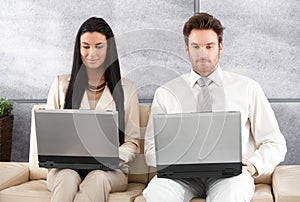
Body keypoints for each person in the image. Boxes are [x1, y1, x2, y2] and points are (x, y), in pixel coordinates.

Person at [143, 13, 286, 202]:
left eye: (209, 46)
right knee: (157, 192)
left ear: (220, 47)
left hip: (229, 177)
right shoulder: (166, 93)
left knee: (233, 192)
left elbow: (275, 142)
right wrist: (171, 160)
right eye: (196, 46)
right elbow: (151, 149)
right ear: (186, 49)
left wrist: (254, 165)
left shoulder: (247, 87)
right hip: (181, 177)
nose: (202, 53)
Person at [46, 17, 140, 202]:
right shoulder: (60, 85)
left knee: (97, 178)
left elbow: (133, 142)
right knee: (66, 178)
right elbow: (49, 136)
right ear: (78, 48)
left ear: (109, 49)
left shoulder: (127, 88)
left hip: (110, 171)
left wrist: (109, 158)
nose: (92, 53)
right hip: (64, 168)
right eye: (86, 46)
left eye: (99, 46)